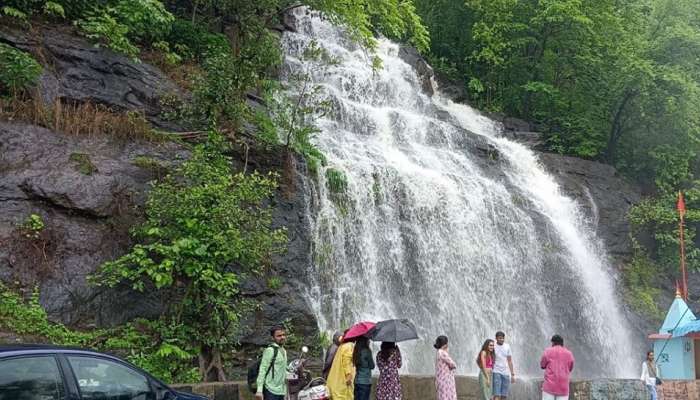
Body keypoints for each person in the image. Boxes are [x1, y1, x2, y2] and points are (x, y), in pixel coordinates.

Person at [255, 325, 288, 400]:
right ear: (273, 338)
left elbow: (283, 369)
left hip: (281, 390)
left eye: (283, 335)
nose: (282, 337)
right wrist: (259, 390)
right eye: (279, 336)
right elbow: (262, 369)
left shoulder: (284, 351)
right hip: (270, 390)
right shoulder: (270, 350)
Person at [540, 334, 574, 400]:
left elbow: (542, 365)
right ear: (562, 343)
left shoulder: (548, 351)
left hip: (549, 386)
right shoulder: (569, 354)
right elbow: (570, 367)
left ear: (553, 342)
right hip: (563, 387)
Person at [327, 334, 356, 400]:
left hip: (335, 382)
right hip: (342, 382)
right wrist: (348, 375)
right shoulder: (349, 346)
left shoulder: (342, 346)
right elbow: (346, 362)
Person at [493, 331, 515, 400]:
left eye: (502, 338)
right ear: (496, 338)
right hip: (496, 371)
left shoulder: (507, 346)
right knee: (497, 394)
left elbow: (509, 360)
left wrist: (512, 374)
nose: (501, 339)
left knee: (504, 395)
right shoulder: (493, 346)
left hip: (505, 372)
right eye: (499, 338)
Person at [434, 335, 457, 400]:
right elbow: (453, 364)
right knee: (447, 397)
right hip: (446, 380)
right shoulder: (443, 353)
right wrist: (447, 352)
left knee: (442, 396)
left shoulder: (438, 352)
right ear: (445, 344)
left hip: (440, 379)